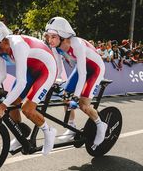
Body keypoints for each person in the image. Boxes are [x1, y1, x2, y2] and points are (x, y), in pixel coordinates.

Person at [0, 20, 57, 155]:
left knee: (27, 109)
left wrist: (2, 106)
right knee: (12, 102)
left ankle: (48, 131)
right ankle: (20, 135)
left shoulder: (18, 45)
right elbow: (1, 75)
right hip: (30, 70)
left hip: (46, 69)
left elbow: (21, 82)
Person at [45, 17, 107, 149]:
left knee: (83, 105)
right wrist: (52, 81)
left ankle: (101, 125)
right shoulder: (56, 47)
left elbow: (84, 74)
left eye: (53, 37)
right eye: (48, 36)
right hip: (81, 69)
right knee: (65, 96)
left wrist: (76, 96)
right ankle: (72, 127)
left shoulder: (77, 44)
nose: (50, 40)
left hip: (95, 70)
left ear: (63, 36)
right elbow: (58, 68)